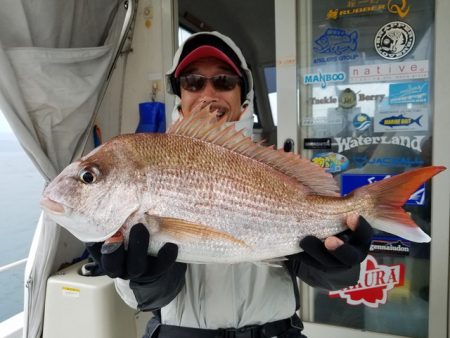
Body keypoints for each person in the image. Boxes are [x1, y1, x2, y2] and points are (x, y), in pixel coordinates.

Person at [87, 31, 373, 338]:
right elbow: (148, 300)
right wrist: (143, 277)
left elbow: (318, 274)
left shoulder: (276, 171)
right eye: (193, 82)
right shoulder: (150, 164)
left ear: (243, 93)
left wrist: (338, 265)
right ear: (179, 93)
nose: (208, 93)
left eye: (223, 81)